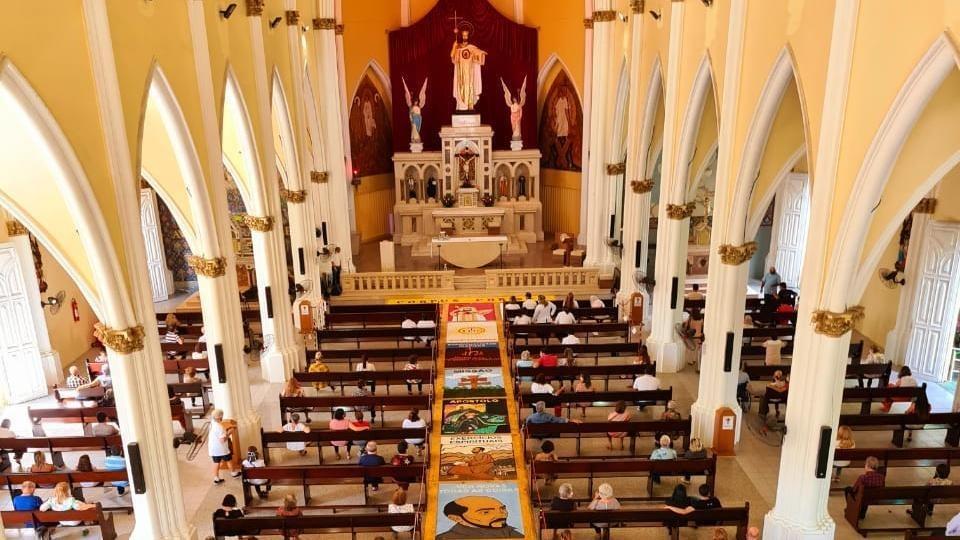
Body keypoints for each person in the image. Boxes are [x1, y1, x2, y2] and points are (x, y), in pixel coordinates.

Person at [436, 495, 524, 539]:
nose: (502, 514)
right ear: (456, 518)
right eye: (486, 512)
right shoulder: (446, 538)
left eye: (502, 509)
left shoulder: (509, 532)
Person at [208, 409, 239, 484]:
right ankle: (233, 473)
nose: (222, 418)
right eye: (221, 416)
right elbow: (223, 440)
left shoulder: (212, 423)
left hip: (213, 448)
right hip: (221, 449)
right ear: (219, 417)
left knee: (216, 462)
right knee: (229, 459)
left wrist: (226, 431)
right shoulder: (219, 427)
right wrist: (229, 432)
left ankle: (216, 478)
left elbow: (218, 434)